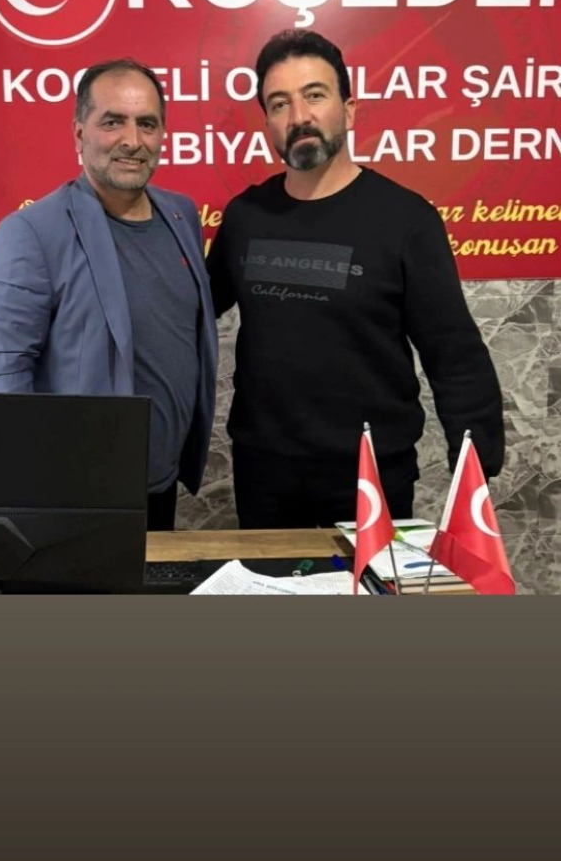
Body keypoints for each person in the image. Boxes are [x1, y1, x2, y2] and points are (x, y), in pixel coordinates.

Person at [207, 28, 505, 529]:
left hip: (372, 475)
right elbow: (190, 311)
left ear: (348, 110)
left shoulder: (406, 220)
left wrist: (475, 468)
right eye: (279, 104)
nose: (298, 116)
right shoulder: (245, 217)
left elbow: (453, 353)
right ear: (268, 124)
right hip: (264, 473)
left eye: (314, 95)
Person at [0, 58, 218, 531]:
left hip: (161, 482)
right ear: (79, 133)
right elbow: (3, 374)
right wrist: (27, 494)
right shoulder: (31, 232)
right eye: (112, 122)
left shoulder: (182, 215)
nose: (132, 140)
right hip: (77, 494)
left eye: (147, 123)